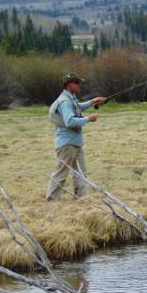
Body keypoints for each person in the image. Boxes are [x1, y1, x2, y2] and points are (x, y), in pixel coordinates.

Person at [46, 73, 106, 201]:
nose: (80, 85)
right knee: (61, 173)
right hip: (67, 144)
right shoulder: (64, 102)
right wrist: (88, 119)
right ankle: (51, 200)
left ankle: (81, 200)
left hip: (76, 142)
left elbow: (78, 107)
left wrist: (92, 102)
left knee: (80, 173)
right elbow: (70, 121)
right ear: (69, 84)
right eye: (77, 83)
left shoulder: (71, 98)